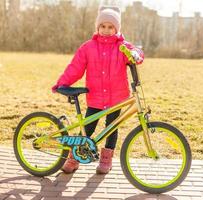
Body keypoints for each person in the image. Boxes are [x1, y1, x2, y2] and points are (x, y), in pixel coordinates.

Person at [51, 6, 144, 174]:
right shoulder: (88, 47)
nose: (106, 30)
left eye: (111, 27)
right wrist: (62, 83)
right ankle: (74, 157)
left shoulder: (122, 46)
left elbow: (135, 52)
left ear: (117, 29)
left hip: (116, 97)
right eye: (103, 26)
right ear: (98, 27)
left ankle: (106, 160)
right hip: (95, 97)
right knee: (88, 127)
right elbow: (75, 68)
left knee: (112, 128)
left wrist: (136, 55)